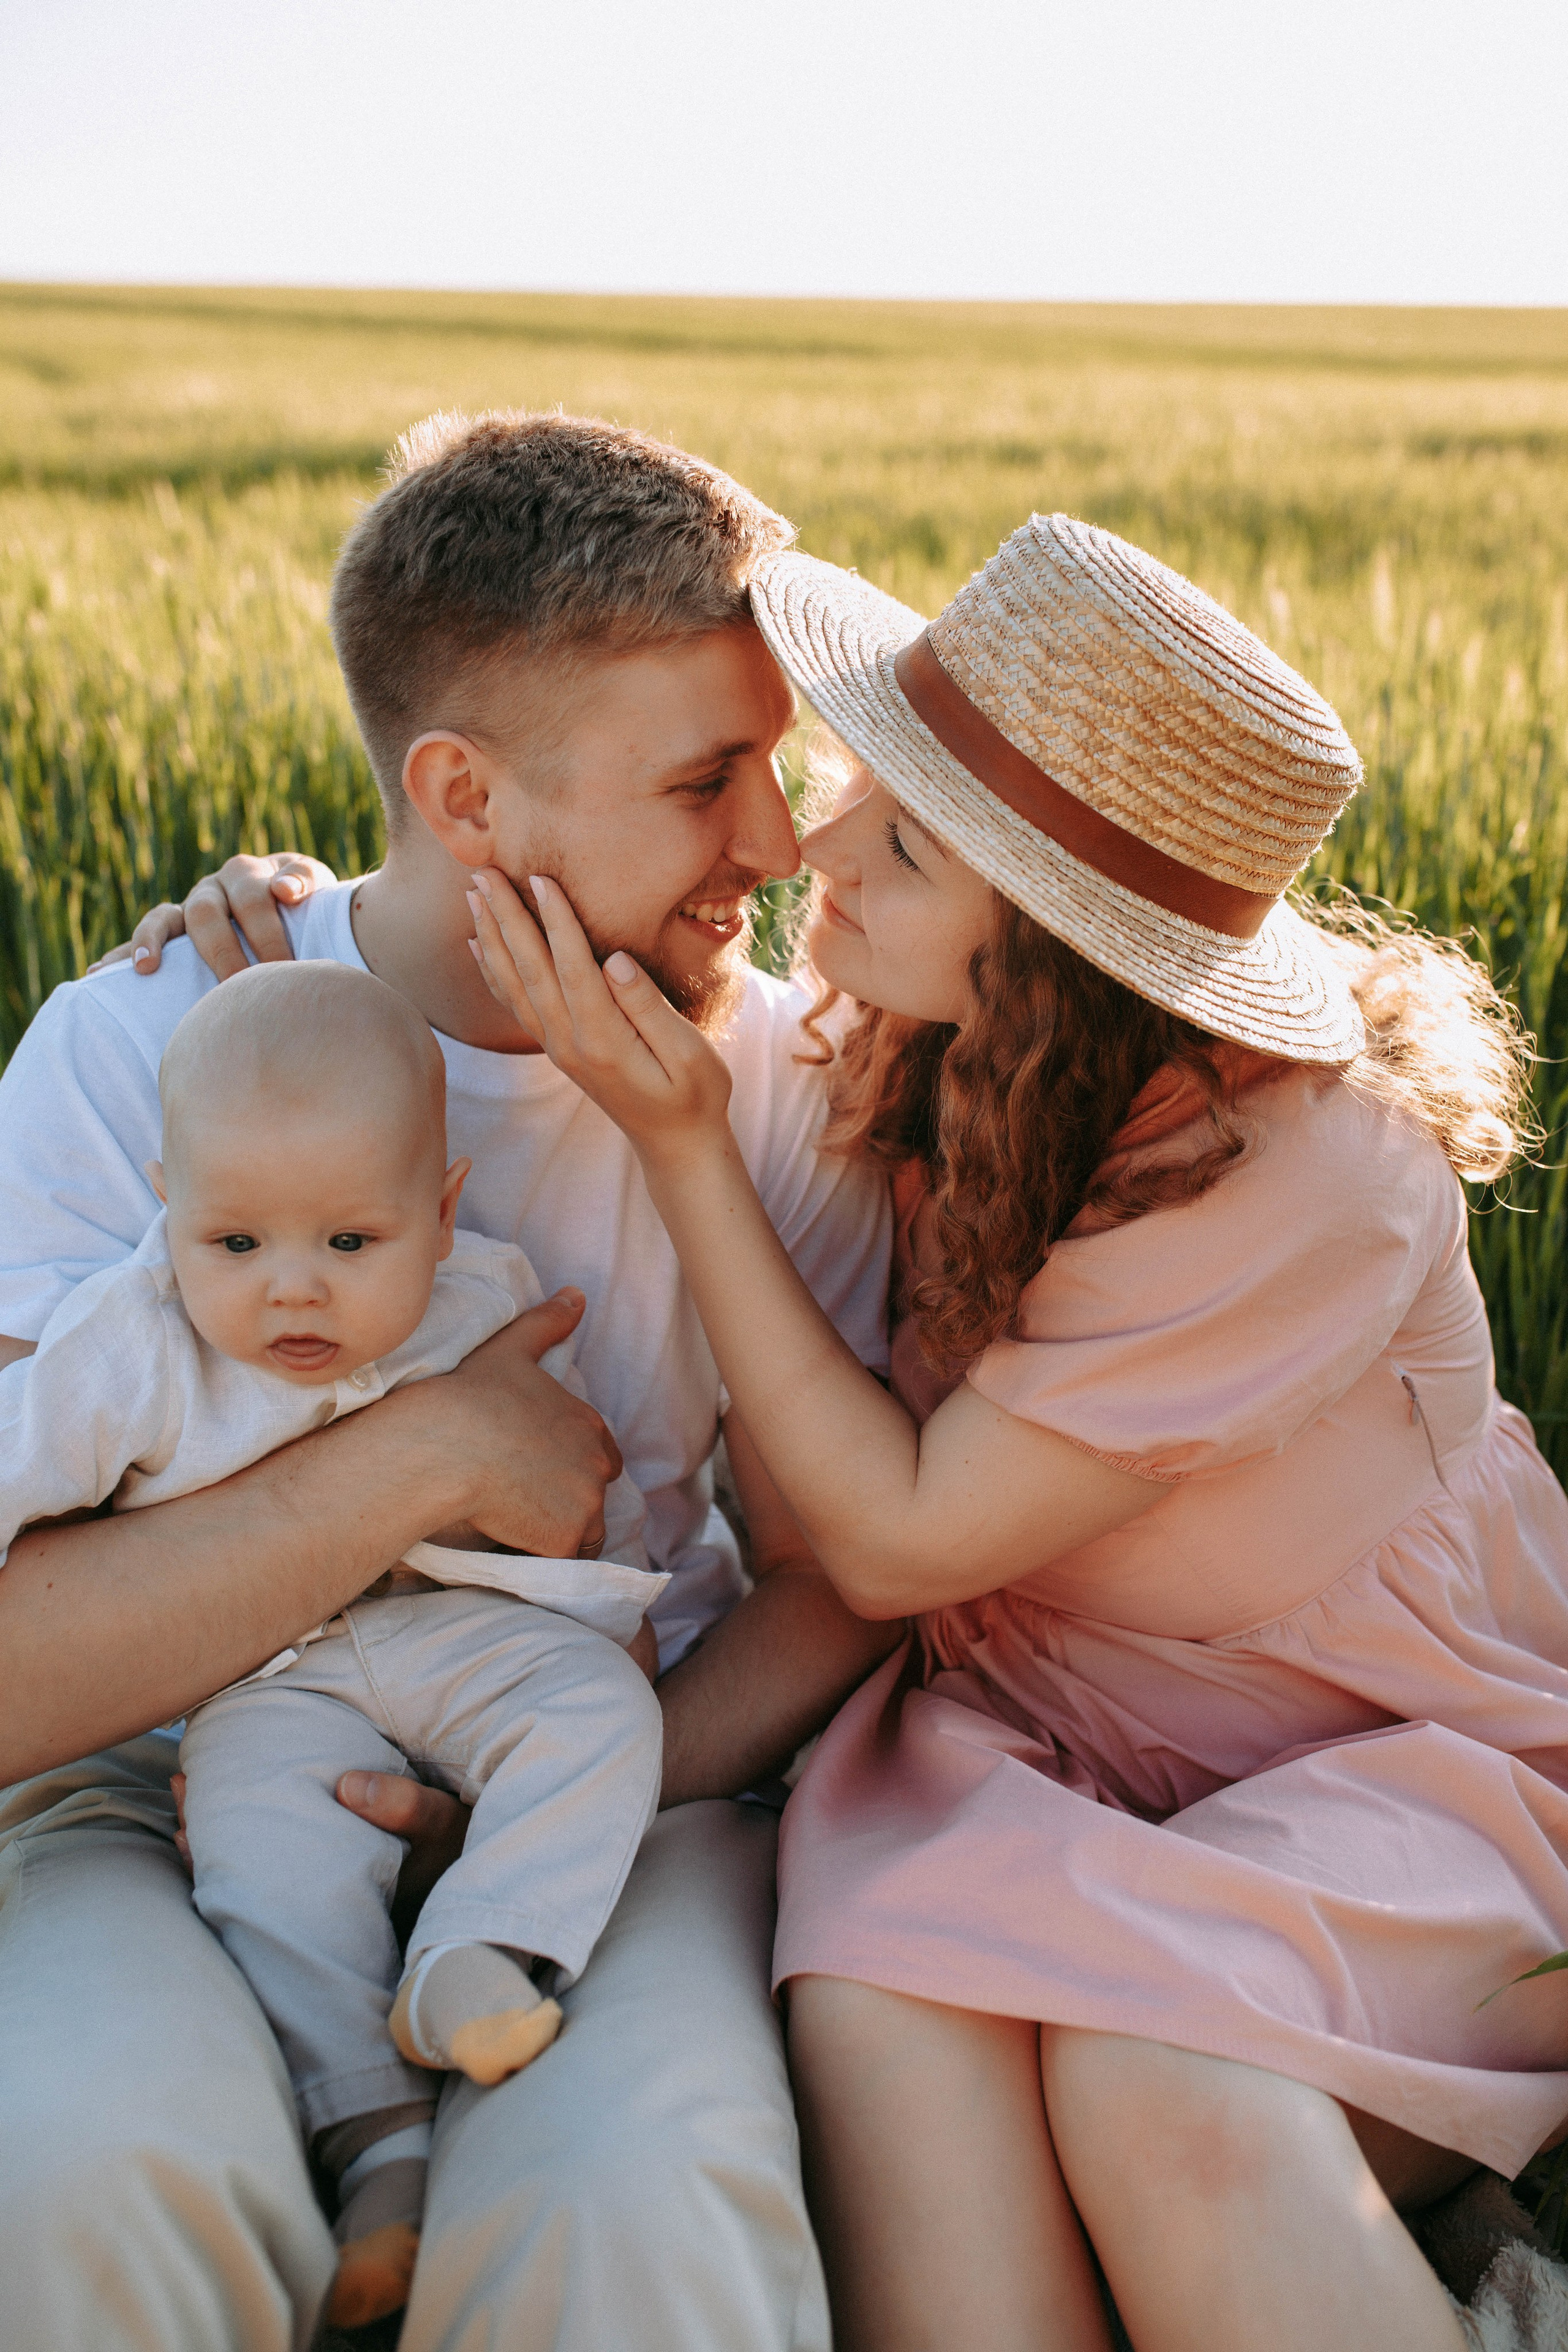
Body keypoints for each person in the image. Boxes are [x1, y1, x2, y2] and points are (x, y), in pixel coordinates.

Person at [462, 511, 1568, 2352]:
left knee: (1169, 2092)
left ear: (1058, 954)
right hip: (1036, 1749)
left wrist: (678, 1154)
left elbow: (896, 1538)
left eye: (899, 842)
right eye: (864, 782)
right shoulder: (917, 1032)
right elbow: (528, 888)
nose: (817, 845)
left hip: (1394, 1774)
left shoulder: (1318, 1181)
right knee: (895, 2026)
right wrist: (290, 920)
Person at [0, 410, 897, 2352]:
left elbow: (847, 1574)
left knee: (650, 2213)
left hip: (613, 1765)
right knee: (93, 2171)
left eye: (782, 762)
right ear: (466, 799)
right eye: (706, 779)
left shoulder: (781, 1088)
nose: (775, 839)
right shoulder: (136, 1044)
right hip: (145, 1791)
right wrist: (422, 1459)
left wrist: (566, 1779)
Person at [2, 956, 670, 2331]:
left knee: (604, 1717)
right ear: (170, 1210)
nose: (289, 1295)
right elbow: (16, 1469)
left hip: (455, 1642)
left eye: (348, 1246)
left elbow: (580, 1490)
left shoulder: (488, 1303)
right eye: (234, 1245)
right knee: (263, 1859)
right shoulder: (124, 1348)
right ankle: (373, 2145)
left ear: (436, 1213)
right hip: (261, 1681)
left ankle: (477, 1951)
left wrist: (602, 1594)